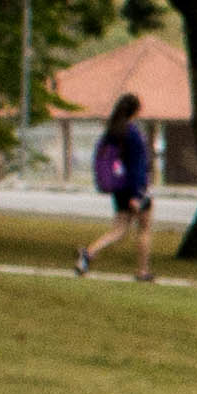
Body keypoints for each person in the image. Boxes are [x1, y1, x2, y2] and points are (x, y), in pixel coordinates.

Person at [77, 96, 159, 279]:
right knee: (144, 228)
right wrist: (137, 194)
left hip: (119, 188)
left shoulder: (112, 133)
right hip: (136, 189)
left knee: (119, 230)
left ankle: (89, 253)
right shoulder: (134, 134)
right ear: (136, 111)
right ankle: (142, 270)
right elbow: (138, 166)